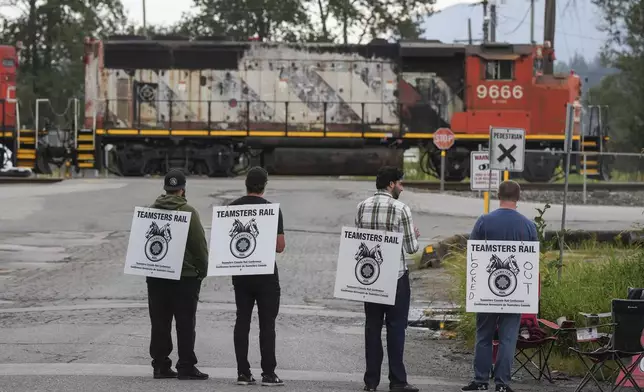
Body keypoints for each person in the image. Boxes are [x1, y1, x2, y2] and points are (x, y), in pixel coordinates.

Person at [461, 180, 538, 392]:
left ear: (498, 195)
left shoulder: (484, 221)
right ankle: (502, 384)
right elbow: (532, 262)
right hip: (516, 292)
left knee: (484, 336)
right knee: (507, 339)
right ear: (518, 197)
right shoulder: (528, 226)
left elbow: (473, 255)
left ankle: (481, 381)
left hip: (487, 291)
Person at [355, 166, 421, 392]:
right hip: (396, 276)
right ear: (391, 184)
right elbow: (412, 248)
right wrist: (414, 233)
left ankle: (371, 382)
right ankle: (397, 381)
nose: (402, 188)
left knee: (372, 327)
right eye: (400, 183)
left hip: (370, 277)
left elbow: (359, 240)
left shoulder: (361, 207)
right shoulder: (401, 209)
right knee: (395, 328)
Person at [146, 168, 209, 380]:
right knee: (185, 322)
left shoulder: (150, 210)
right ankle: (186, 366)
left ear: (166, 188)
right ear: (182, 189)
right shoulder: (189, 212)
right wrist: (202, 271)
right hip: (185, 277)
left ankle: (160, 366)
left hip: (157, 275)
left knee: (160, 322)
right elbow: (199, 246)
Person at [228, 166, 286, 386]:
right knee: (267, 325)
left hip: (241, 274)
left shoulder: (232, 208)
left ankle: (243, 373)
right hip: (265, 276)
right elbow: (280, 246)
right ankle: (269, 374)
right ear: (264, 185)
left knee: (242, 321)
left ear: (246, 184)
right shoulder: (272, 210)